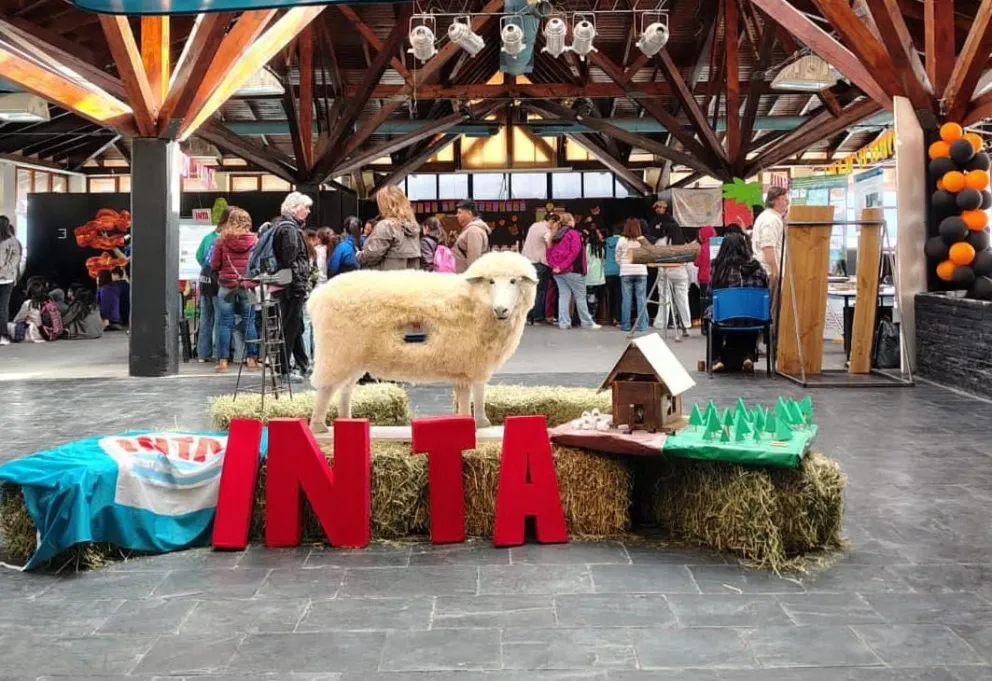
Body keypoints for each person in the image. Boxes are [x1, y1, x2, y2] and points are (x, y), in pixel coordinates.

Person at [707, 231, 769, 373]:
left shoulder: (718, 268)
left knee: (712, 313)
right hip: (754, 318)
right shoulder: (757, 267)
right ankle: (749, 354)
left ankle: (716, 358)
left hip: (725, 318)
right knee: (750, 312)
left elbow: (710, 292)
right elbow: (765, 288)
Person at [211, 207, 259, 373]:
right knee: (249, 322)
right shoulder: (255, 241)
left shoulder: (221, 241)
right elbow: (257, 264)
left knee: (225, 323)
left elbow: (214, 264)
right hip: (247, 286)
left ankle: (223, 360)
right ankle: (252, 359)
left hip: (226, 285)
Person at [272, 191, 314, 379]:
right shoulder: (289, 230)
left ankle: (303, 363)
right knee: (290, 326)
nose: (308, 211)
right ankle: (283, 369)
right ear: (295, 209)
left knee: (295, 325)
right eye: (306, 207)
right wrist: (299, 281)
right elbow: (290, 261)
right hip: (291, 285)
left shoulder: (285, 227)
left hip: (289, 284)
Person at [547, 212, 600, 330]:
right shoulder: (573, 233)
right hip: (573, 270)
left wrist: (554, 266)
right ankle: (587, 322)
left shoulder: (554, 235)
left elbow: (548, 253)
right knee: (580, 296)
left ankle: (564, 323)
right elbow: (574, 253)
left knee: (564, 296)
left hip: (557, 272)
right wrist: (563, 266)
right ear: (570, 221)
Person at [358, 186, 421, 271]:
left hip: (385, 280)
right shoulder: (413, 227)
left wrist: (359, 255)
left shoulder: (386, 225)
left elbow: (371, 255)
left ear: (385, 204)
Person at [653, 216, 692, 341]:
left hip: (665, 273)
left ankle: (661, 323)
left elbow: (655, 257)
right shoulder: (684, 244)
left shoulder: (661, 242)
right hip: (681, 274)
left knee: (665, 298)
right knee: (683, 299)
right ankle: (685, 323)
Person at [195, 210, 226, 362]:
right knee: (221, 319)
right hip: (218, 283)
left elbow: (199, 256)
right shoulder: (225, 239)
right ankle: (221, 354)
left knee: (205, 319)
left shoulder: (207, 237)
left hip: (205, 281)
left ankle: (202, 354)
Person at [521, 213, 558, 324]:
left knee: (530, 290)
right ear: (552, 222)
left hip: (527, 262)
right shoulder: (546, 231)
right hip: (539, 263)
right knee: (540, 291)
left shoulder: (534, 225)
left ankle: (527, 317)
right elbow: (550, 245)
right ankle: (536, 317)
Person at [752, 186, 789, 292]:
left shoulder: (769, 217)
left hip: (767, 271)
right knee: (773, 306)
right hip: (769, 272)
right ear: (775, 200)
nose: (787, 201)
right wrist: (776, 270)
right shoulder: (771, 220)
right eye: (784, 198)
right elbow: (768, 247)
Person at [615, 218, 649, 333]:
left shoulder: (621, 240)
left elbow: (617, 256)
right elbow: (649, 254)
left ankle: (625, 325)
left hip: (626, 272)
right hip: (641, 271)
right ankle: (642, 325)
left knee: (626, 299)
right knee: (641, 298)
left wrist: (623, 265)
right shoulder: (642, 240)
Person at [0, 215, 22, 346]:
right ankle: (2, 335)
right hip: (7, 279)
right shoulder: (13, 241)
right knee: (3, 307)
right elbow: (15, 262)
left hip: (5, 277)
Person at [452, 199, 490, 273]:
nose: (457, 215)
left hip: (467, 278)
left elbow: (474, 260)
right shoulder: (470, 229)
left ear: (469, 213)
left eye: (459, 212)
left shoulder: (474, 230)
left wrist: (471, 281)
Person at [585, 226, 607, 321]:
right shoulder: (601, 249)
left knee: (589, 296)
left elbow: (585, 261)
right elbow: (604, 262)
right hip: (599, 278)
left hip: (588, 277)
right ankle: (593, 315)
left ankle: (589, 316)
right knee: (595, 297)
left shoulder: (587, 247)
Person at [604, 223, 621, 326]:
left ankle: (608, 316)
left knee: (609, 296)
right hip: (619, 271)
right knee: (619, 296)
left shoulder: (606, 241)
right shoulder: (623, 241)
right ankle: (617, 317)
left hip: (607, 271)